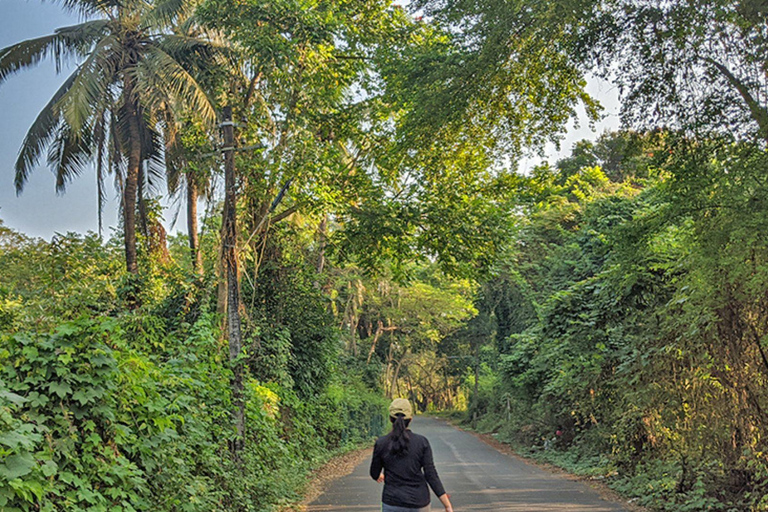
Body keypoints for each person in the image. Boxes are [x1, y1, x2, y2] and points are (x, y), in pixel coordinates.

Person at [370, 398, 454, 512]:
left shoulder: (381, 443)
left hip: (392, 503)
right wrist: (447, 504)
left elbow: (374, 472)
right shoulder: (422, 442)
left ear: (390, 419)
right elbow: (431, 474)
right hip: (419, 503)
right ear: (410, 419)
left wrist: (379, 475)